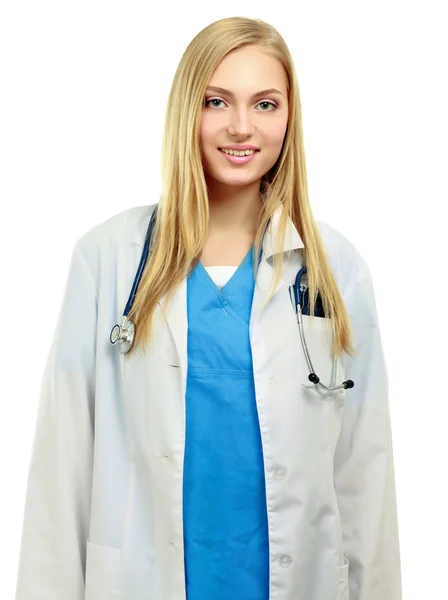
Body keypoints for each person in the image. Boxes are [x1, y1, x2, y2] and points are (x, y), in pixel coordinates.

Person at [15, 15, 402, 600]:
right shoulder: (107, 260)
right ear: (186, 111)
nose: (241, 127)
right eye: (217, 101)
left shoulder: (334, 269)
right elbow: (61, 470)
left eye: (266, 104)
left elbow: (365, 478)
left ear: (290, 118)